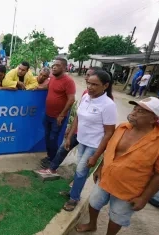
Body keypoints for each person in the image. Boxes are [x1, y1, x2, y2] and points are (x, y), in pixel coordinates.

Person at [76, 97, 159, 235]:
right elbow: (110, 150)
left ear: (153, 119)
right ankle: (92, 224)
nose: (134, 113)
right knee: (94, 202)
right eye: (135, 108)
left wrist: (144, 198)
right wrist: (99, 168)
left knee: (117, 215)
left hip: (129, 189)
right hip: (105, 178)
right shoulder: (122, 127)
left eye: (141, 111)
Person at [59, 71, 117, 212]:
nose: (90, 87)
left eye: (95, 84)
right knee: (80, 170)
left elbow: (109, 133)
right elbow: (78, 118)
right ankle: (75, 192)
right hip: (82, 140)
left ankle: (74, 198)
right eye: (89, 83)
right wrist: (69, 137)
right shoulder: (86, 96)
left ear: (105, 86)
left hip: (94, 144)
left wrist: (96, 156)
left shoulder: (108, 105)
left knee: (80, 170)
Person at [39, 67, 102, 172]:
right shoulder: (86, 94)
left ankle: (76, 177)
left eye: (89, 75)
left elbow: (71, 99)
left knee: (55, 141)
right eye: (86, 75)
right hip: (75, 129)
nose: (86, 78)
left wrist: (62, 115)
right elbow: (79, 114)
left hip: (89, 135)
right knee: (61, 147)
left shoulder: (107, 100)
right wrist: (71, 130)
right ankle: (51, 165)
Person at [42, 58, 76, 169]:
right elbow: (47, 87)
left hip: (58, 117)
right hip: (47, 115)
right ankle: (49, 157)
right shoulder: (52, 78)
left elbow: (71, 99)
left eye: (57, 65)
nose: (54, 67)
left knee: (53, 139)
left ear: (65, 67)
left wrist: (62, 115)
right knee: (47, 137)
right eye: (53, 65)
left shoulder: (68, 81)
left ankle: (52, 160)